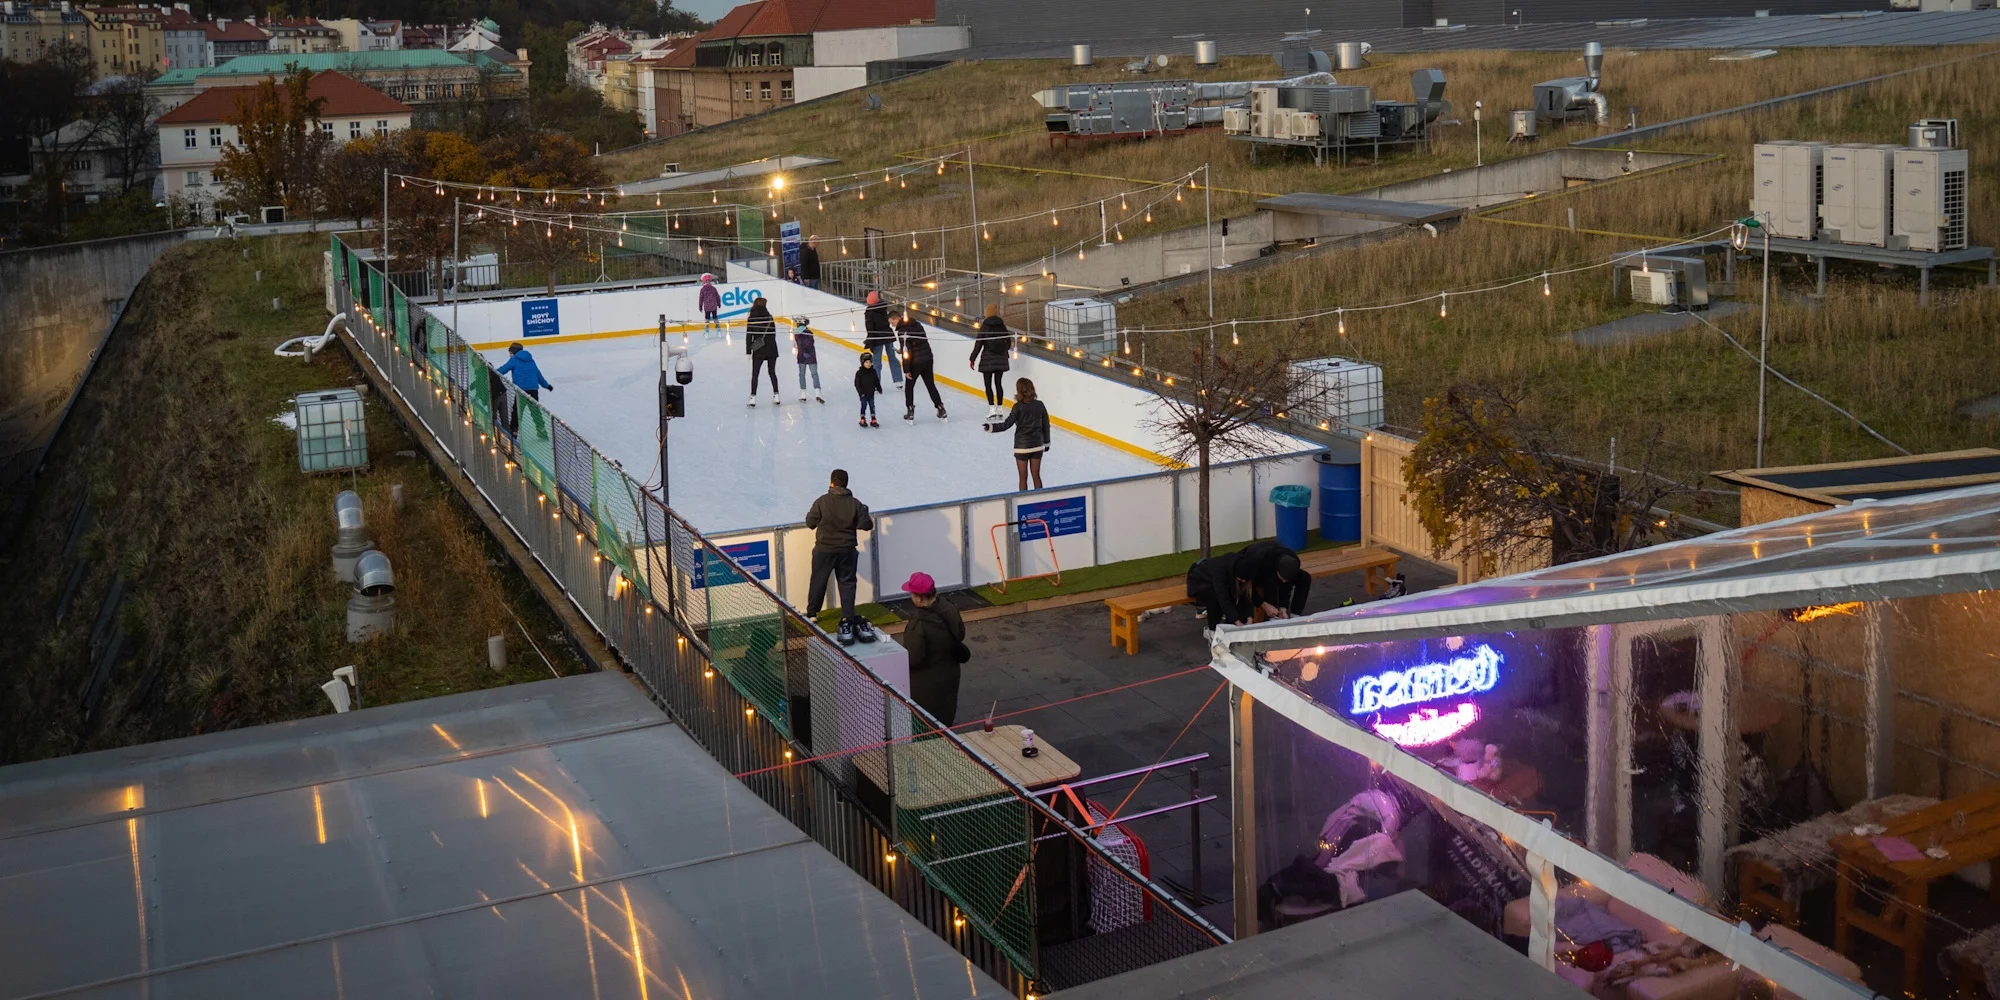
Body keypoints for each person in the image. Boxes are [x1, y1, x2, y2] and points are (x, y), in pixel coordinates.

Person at [804, 469, 876, 645]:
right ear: (846, 484)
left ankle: (812, 614)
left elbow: (810, 523)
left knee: (818, 580)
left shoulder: (821, 501)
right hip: (847, 550)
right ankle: (847, 619)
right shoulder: (855, 504)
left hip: (824, 550)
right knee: (847, 583)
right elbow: (866, 525)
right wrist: (864, 512)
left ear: (831, 483)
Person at [900, 571, 967, 725]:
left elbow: (914, 659)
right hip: (950, 675)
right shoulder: (950, 608)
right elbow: (960, 634)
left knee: (924, 727)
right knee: (945, 723)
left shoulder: (918, 624)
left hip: (925, 686)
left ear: (919, 597)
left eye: (911, 593)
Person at [985, 377, 1049, 491]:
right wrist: (1047, 442)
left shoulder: (1018, 407)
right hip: (1037, 446)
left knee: (1023, 478)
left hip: (1022, 447)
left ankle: (1024, 505)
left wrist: (991, 427)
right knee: (1036, 476)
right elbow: (1046, 425)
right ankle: (1040, 503)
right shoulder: (1040, 405)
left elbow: (1007, 424)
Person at [1237, 538, 1312, 620]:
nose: (1284, 581)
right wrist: (1263, 604)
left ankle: (1295, 616)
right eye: (1282, 578)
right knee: (1271, 582)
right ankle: (1273, 617)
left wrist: (1283, 607)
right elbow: (1244, 586)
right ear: (1277, 570)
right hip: (1252, 565)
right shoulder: (1257, 561)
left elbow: (1286, 583)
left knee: (1304, 577)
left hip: (1272, 564)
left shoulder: (1293, 560)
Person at [1185, 549, 1252, 631]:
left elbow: (1245, 593)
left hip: (1212, 581)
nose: (1243, 582)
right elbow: (1222, 596)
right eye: (1241, 580)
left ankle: (1233, 622)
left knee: (1231, 594)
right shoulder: (1220, 571)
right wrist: (1236, 621)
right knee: (1214, 597)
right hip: (1198, 583)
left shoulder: (1241, 567)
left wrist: (1249, 617)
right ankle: (1213, 630)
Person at [897, 311, 945, 422]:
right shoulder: (918, 325)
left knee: (909, 387)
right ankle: (940, 408)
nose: (892, 325)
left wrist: (906, 369)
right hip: (928, 358)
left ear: (895, 319)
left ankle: (910, 411)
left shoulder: (902, 331)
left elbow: (907, 352)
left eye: (892, 323)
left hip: (915, 362)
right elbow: (917, 343)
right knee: (930, 385)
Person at [496, 342, 552, 435]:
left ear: (514, 352)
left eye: (510, 353)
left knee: (517, 412)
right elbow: (538, 375)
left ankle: (513, 431)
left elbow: (503, 369)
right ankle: (541, 430)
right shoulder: (531, 361)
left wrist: (492, 371)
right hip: (533, 390)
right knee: (535, 411)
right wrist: (547, 386)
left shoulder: (514, 360)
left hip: (521, 390)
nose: (509, 355)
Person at [969, 303, 1012, 420]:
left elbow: (978, 344)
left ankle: (992, 409)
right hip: (1001, 360)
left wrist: (972, 358)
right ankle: (1000, 409)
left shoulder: (985, 326)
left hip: (987, 360)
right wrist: (1001, 351)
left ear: (987, 313)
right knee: (998, 384)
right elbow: (1008, 343)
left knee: (988, 385)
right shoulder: (1002, 326)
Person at [744, 295, 780, 406]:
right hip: (771, 348)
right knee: (772, 372)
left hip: (759, 349)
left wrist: (748, 351)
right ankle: (776, 395)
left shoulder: (752, 318)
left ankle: (753, 398)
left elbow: (749, 336)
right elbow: (773, 333)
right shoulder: (770, 317)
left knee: (755, 374)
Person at [862, 291, 903, 385]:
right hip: (887, 336)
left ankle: (876, 384)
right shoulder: (882, 307)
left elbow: (870, 328)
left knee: (877, 362)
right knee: (892, 358)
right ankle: (898, 380)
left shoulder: (869, 312)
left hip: (877, 338)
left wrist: (870, 341)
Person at [792, 316, 823, 402]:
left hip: (802, 356)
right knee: (814, 374)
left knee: (802, 374)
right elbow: (810, 343)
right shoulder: (809, 332)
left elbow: (799, 344)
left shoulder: (797, 333)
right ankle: (818, 392)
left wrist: (804, 352)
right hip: (811, 356)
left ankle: (803, 394)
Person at [854, 351, 881, 428]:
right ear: (862, 363)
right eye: (866, 362)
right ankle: (862, 418)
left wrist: (879, 388)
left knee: (872, 406)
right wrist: (861, 392)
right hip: (863, 394)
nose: (868, 364)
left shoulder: (873, 371)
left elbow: (876, 381)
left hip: (871, 393)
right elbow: (857, 384)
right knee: (864, 405)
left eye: (869, 362)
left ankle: (873, 419)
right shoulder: (859, 373)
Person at [698, 273, 722, 337]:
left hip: (707, 307)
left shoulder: (702, 289)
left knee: (707, 320)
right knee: (715, 318)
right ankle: (718, 331)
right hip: (714, 306)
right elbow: (718, 297)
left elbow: (701, 299)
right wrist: (719, 304)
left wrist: (700, 306)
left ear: (703, 281)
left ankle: (706, 332)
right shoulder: (713, 288)